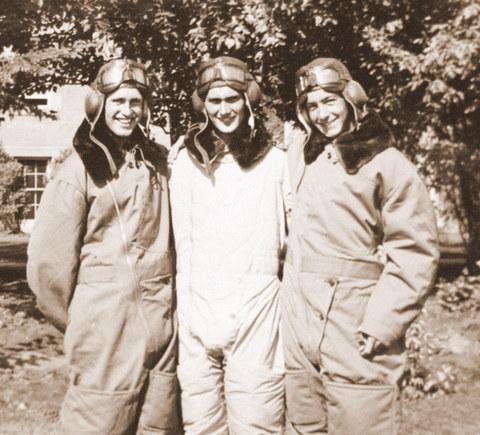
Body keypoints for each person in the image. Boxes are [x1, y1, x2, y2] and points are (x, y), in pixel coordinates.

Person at [281, 57, 439, 434]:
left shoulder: (388, 164)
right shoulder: (302, 157)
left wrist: (382, 323)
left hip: (355, 329)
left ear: (351, 98)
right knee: (304, 425)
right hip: (300, 328)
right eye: (312, 106)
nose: (322, 114)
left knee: (363, 421)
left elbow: (415, 252)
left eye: (329, 101)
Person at [27, 58, 180, 434]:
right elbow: (48, 269)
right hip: (105, 334)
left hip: (162, 328)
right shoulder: (77, 171)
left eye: (135, 102)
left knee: (159, 426)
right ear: (98, 104)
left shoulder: (157, 164)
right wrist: (87, 321)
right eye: (118, 101)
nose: (127, 111)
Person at [169, 56, 289, 434]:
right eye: (214, 100)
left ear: (248, 99)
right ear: (202, 105)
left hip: (256, 313)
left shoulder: (276, 163)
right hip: (196, 312)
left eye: (232, 99)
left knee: (257, 423)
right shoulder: (183, 164)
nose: (224, 109)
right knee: (200, 425)